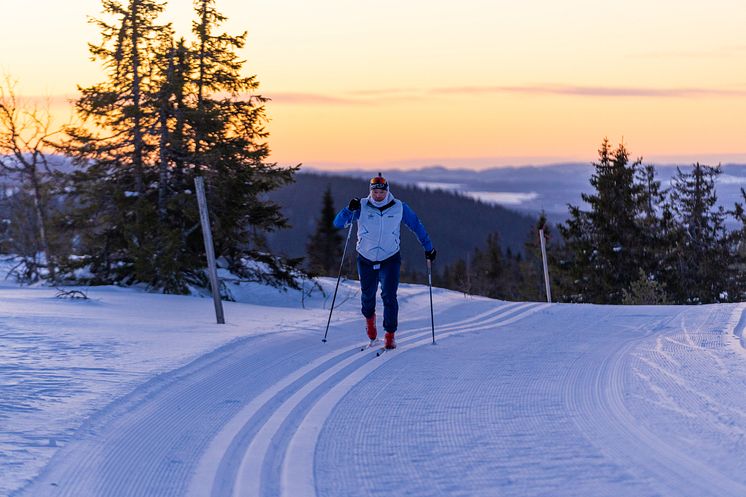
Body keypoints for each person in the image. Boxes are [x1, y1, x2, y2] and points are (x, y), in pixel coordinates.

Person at [333, 173, 436, 349]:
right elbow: (338, 223)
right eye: (375, 192)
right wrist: (348, 210)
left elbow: (416, 225)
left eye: (381, 192)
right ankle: (371, 327)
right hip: (365, 258)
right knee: (367, 296)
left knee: (389, 296)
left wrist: (429, 248)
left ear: (387, 191)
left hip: (390, 258)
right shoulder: (361, 206)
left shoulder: (399, 207)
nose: (378, 195)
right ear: (370, 191)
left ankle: (390, 335)